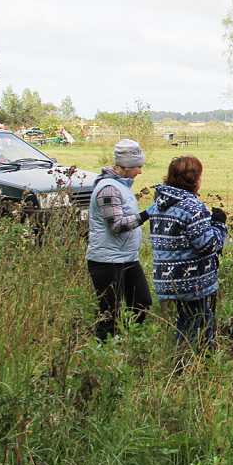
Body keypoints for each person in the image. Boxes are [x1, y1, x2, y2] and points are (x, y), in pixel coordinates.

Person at [147, 155, 228, 355]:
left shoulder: (159, 204)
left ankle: (207, 357)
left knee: (203, 318)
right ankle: (182, 366)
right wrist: (219, 224)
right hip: (191, 281)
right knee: (190, 326)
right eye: (199, 176)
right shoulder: (192, 207)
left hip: (166, 277)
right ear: (193, 179)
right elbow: (208, 245)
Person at [85, 139, 151, 341]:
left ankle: (126, 343)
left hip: (127, 257)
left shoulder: (122, 186)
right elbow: (116, 225)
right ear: (126, 166)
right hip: (106, 261)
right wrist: (147, 214)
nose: (140, 171)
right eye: (138, 166)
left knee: (142, 303)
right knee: (109, 314)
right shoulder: (108, 188)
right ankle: (103, 356)